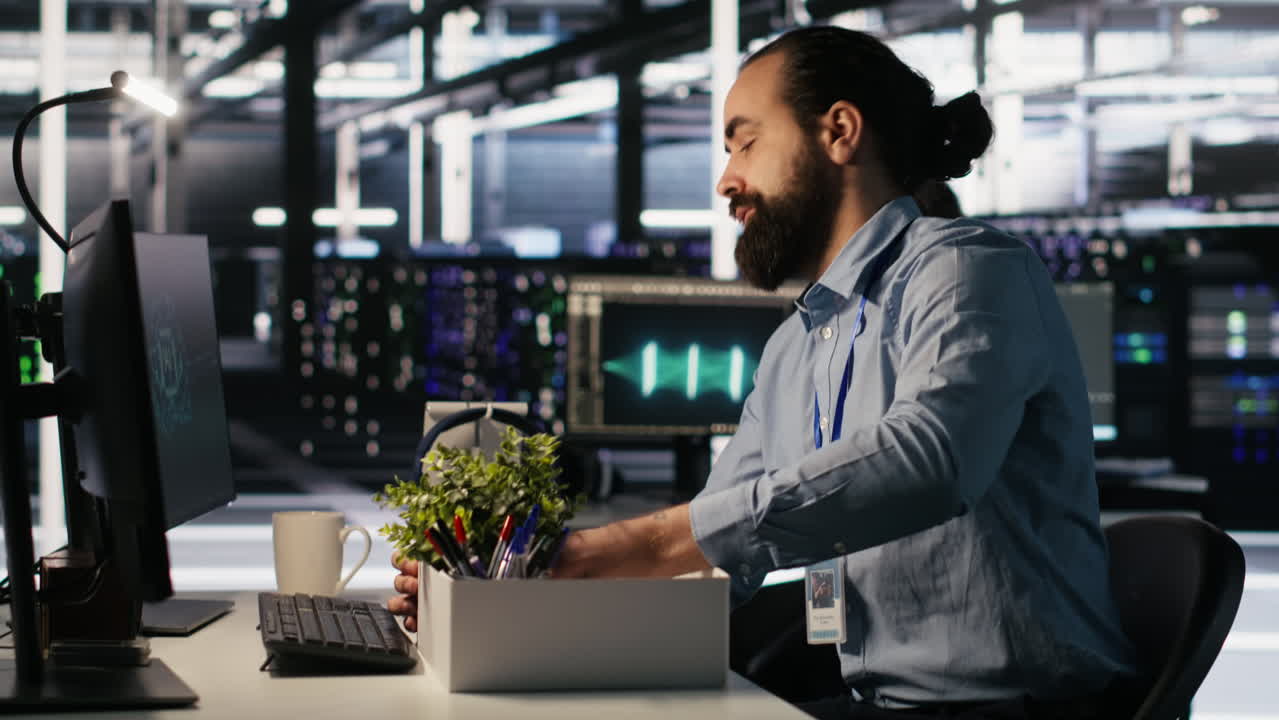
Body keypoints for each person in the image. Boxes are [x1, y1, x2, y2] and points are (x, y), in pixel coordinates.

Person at [389, 25, 1138, 719]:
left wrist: (630, 547)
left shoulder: (966, 270)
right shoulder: (796, 347)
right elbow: (713, 568)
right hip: (874, 701)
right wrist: (498, 603)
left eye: (743, 144)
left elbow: (931, 461)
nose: (725, 180)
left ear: (839, 133)